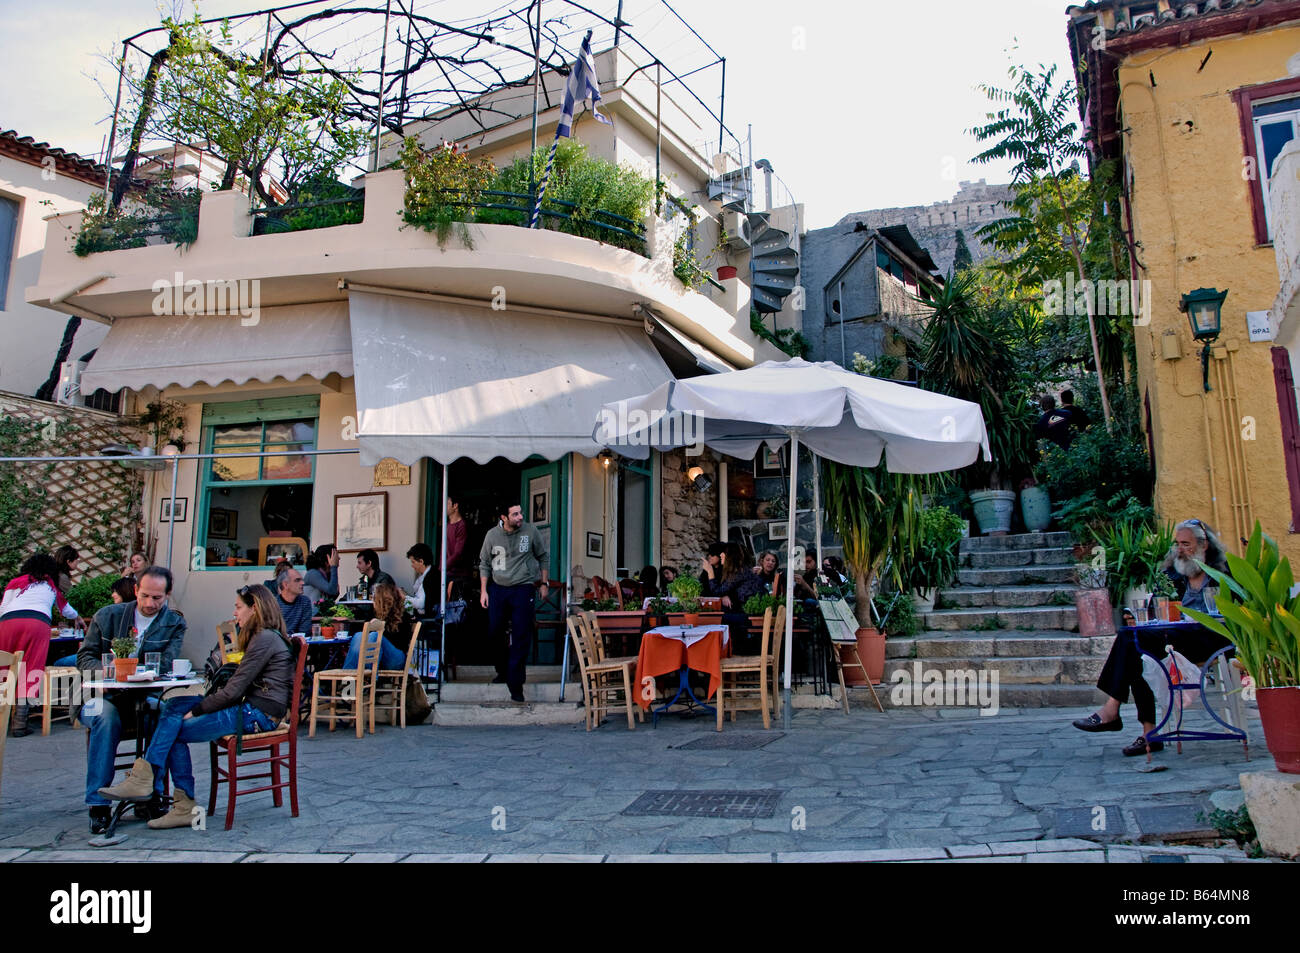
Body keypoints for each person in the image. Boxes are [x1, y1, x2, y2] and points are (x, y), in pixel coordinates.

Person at [97, 584, 291, 830]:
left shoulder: (264, 638)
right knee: (174, 704)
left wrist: (199, 710)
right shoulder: (259, 636)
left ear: (254, 609)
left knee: (173, 729)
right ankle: (149, 781)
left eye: (238, 607)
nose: (234, 613)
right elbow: (231, 682)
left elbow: (233, 691)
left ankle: (177, 800)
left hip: (256, 714)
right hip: (248, 705)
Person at [1072, 518, 1233, 756]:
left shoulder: (1223, 575)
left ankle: (1118, 714)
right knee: (1136, 646)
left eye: (1186, 544)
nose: (1180, 549)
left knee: (1134, 645)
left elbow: (1237, 614)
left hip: (1211, 640)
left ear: (1204, 545)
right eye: (1178, 544)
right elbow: (1154, 609)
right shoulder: (1173, 574)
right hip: (1175, 639)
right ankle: (1146, 732)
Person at [77, 566, 187, 833]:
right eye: (146, 596)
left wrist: (134, 670)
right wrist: (108, 671)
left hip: (143, 695)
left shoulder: (174, 622)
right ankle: (98, 804)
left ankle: (151, 794)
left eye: (158, 598)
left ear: (167, 595)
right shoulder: (107, 616)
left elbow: (167, 662)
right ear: (136, 590)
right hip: (101, 696)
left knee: (165, 716)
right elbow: (84, 658)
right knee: (106, 717)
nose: (150, 604)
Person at [1, 553, 82, 737]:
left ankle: (3, 719)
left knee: (4, 666)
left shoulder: (15, 582)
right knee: (31, 669)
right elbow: (66, 609)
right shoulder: (50, 585)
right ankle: (20, 723)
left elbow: (3, 608)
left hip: (8, 623)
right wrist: (77, 617)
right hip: (37, 624)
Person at [478, 499, 549, 702]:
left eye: (520, 513)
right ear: (504, 518)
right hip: (498, 588)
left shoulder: (530, 531)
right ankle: (503, 670)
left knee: (521, 633)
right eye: (515, 514)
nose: (520, 517)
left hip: (523, 587)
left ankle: (515, 685)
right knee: (494, 632)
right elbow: (484, 563)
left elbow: (543, 556)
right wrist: (484, 591)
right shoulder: (492, 535)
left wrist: (543, 583)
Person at [702, 542, 768, 653]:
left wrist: (710, 571)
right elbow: (724, 590)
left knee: (715, 619)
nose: (721, 555)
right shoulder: (741, 570)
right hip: (748, 614)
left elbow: (716, 591)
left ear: (730, 557)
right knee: (719, 614)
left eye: (724, 554)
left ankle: (718, 653)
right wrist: (724, 595)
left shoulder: (739, 572)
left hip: (751, 618)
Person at [341, 582, 413, 673]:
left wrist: (380, 628)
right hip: (376, 658)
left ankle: (367, 677)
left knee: (374, 635)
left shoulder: (402, 616)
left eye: (374, 598)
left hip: (395, 658)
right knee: (359, 635)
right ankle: (349, 677)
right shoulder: (373, 614)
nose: (372, 601)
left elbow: (401, 642)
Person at [275, 566, 314, 635]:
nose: (303, 583)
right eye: (297, 580)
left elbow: (305, 632)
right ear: (286, 584)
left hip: (298, 642)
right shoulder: (273, 604)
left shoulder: (304, 602)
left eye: (302, 580)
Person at [406, 542, 438, 617]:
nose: (412, 566)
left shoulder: (431, 577)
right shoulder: (427, 575)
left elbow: (421, 604)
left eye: (413, 562)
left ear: (421, 561)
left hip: (427, 620)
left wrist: (404, 597)